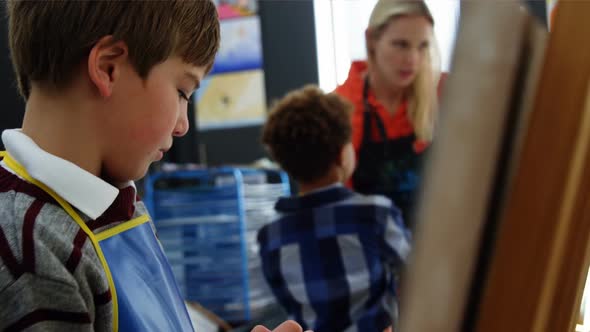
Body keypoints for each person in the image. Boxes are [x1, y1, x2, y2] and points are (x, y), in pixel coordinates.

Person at [0, 1, 302, 331]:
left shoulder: (118, 202)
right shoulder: (27, 253)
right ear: (108, 68)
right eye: (183, 91)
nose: (182, 125)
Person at [259, 85, 412, 332]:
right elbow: (415, 272)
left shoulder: (271, 236)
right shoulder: (375, 214)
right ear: (343, 155)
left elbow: (289, 305)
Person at [335, 0, 443, 228]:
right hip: (368, 253)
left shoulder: (444, 95)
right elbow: (334, 203)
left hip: (435, 248)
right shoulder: (341, 108)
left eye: (423, 46)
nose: (412, 59)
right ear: (372, 40)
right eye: (401, 45)